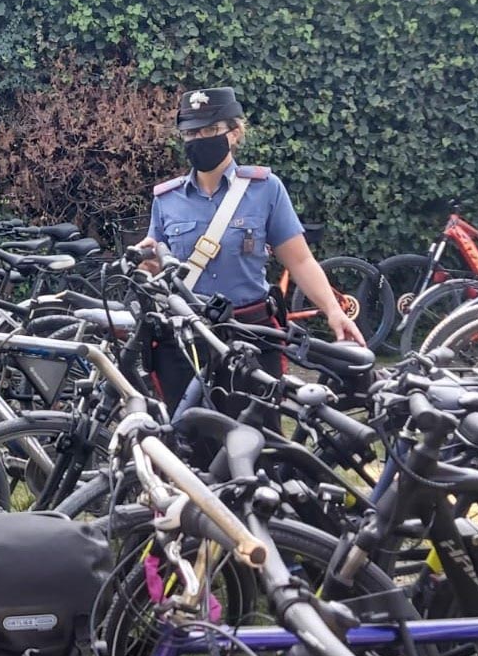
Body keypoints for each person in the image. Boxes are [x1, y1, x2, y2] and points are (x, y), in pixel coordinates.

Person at [137, 86, 365, 414]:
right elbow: (158, 263)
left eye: (211, 130)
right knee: (189, 442)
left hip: (250, 333)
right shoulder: (167, 199)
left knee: (259, 438)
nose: (200, 139)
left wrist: (333, 310)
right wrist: (150, 268)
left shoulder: (265, 190)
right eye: (192, 133)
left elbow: (299, 260)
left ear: (234, 133)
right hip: (187, 336)